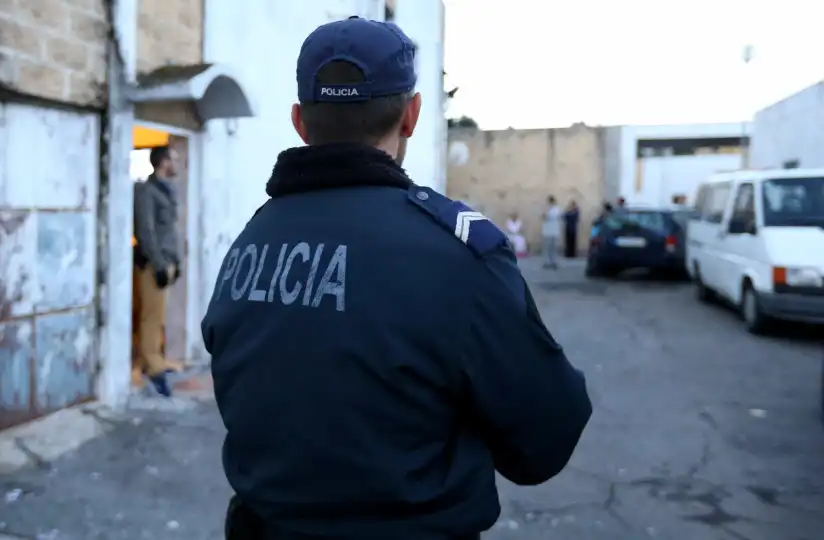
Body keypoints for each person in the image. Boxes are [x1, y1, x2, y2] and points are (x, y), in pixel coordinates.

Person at [203, 16, 592, 540]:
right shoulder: (454, 254)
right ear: (410, 114)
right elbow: (545, 441)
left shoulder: (250, 242)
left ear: (300, 121)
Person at [132, 145, 182, 397]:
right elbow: (146, 232)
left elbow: (170, 231)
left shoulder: (168, 190)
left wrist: (177, 262)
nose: (177, 163)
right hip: (154, 264)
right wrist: (160, 265)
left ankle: (154, 360)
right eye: (174, 158)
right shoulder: (146, 191)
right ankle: (153, 369)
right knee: (151, 318)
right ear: (163, 162)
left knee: (159, 316)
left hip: (168, 261)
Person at [541, 195, 562, 269]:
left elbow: (546, 217)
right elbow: (543, 217)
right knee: (548, 247)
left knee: (553, 248)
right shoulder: (549, 209)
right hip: (549, 231)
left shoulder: (556, 209)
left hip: (553, 231)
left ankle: (553, 261)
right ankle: (548, 261)